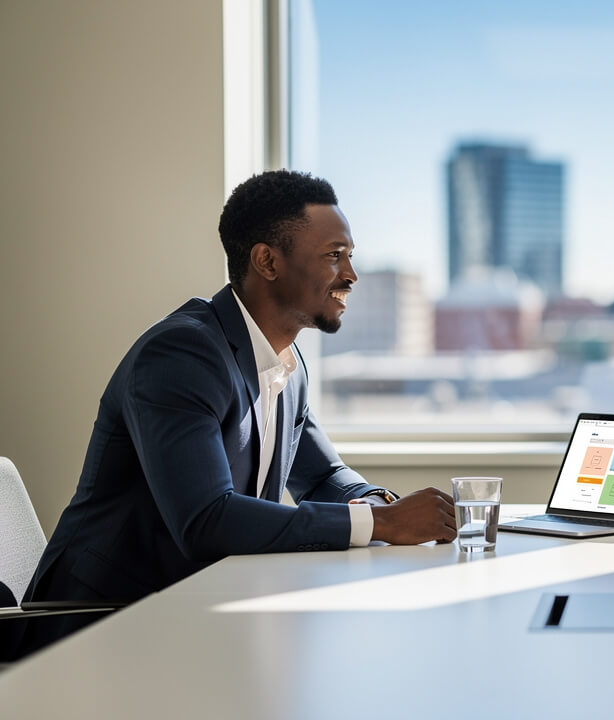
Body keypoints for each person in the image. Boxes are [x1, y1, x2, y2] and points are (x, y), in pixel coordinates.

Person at [16, 170, 457, 657]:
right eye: (334, 256)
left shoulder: (285, 363)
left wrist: (375, 499)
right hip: (98, 627)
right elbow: (207, 520)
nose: (350, 275)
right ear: (267, 261)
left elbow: (323, 474)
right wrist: (381, 525)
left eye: (350, 256)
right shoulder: (182, 354)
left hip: (191, 613)